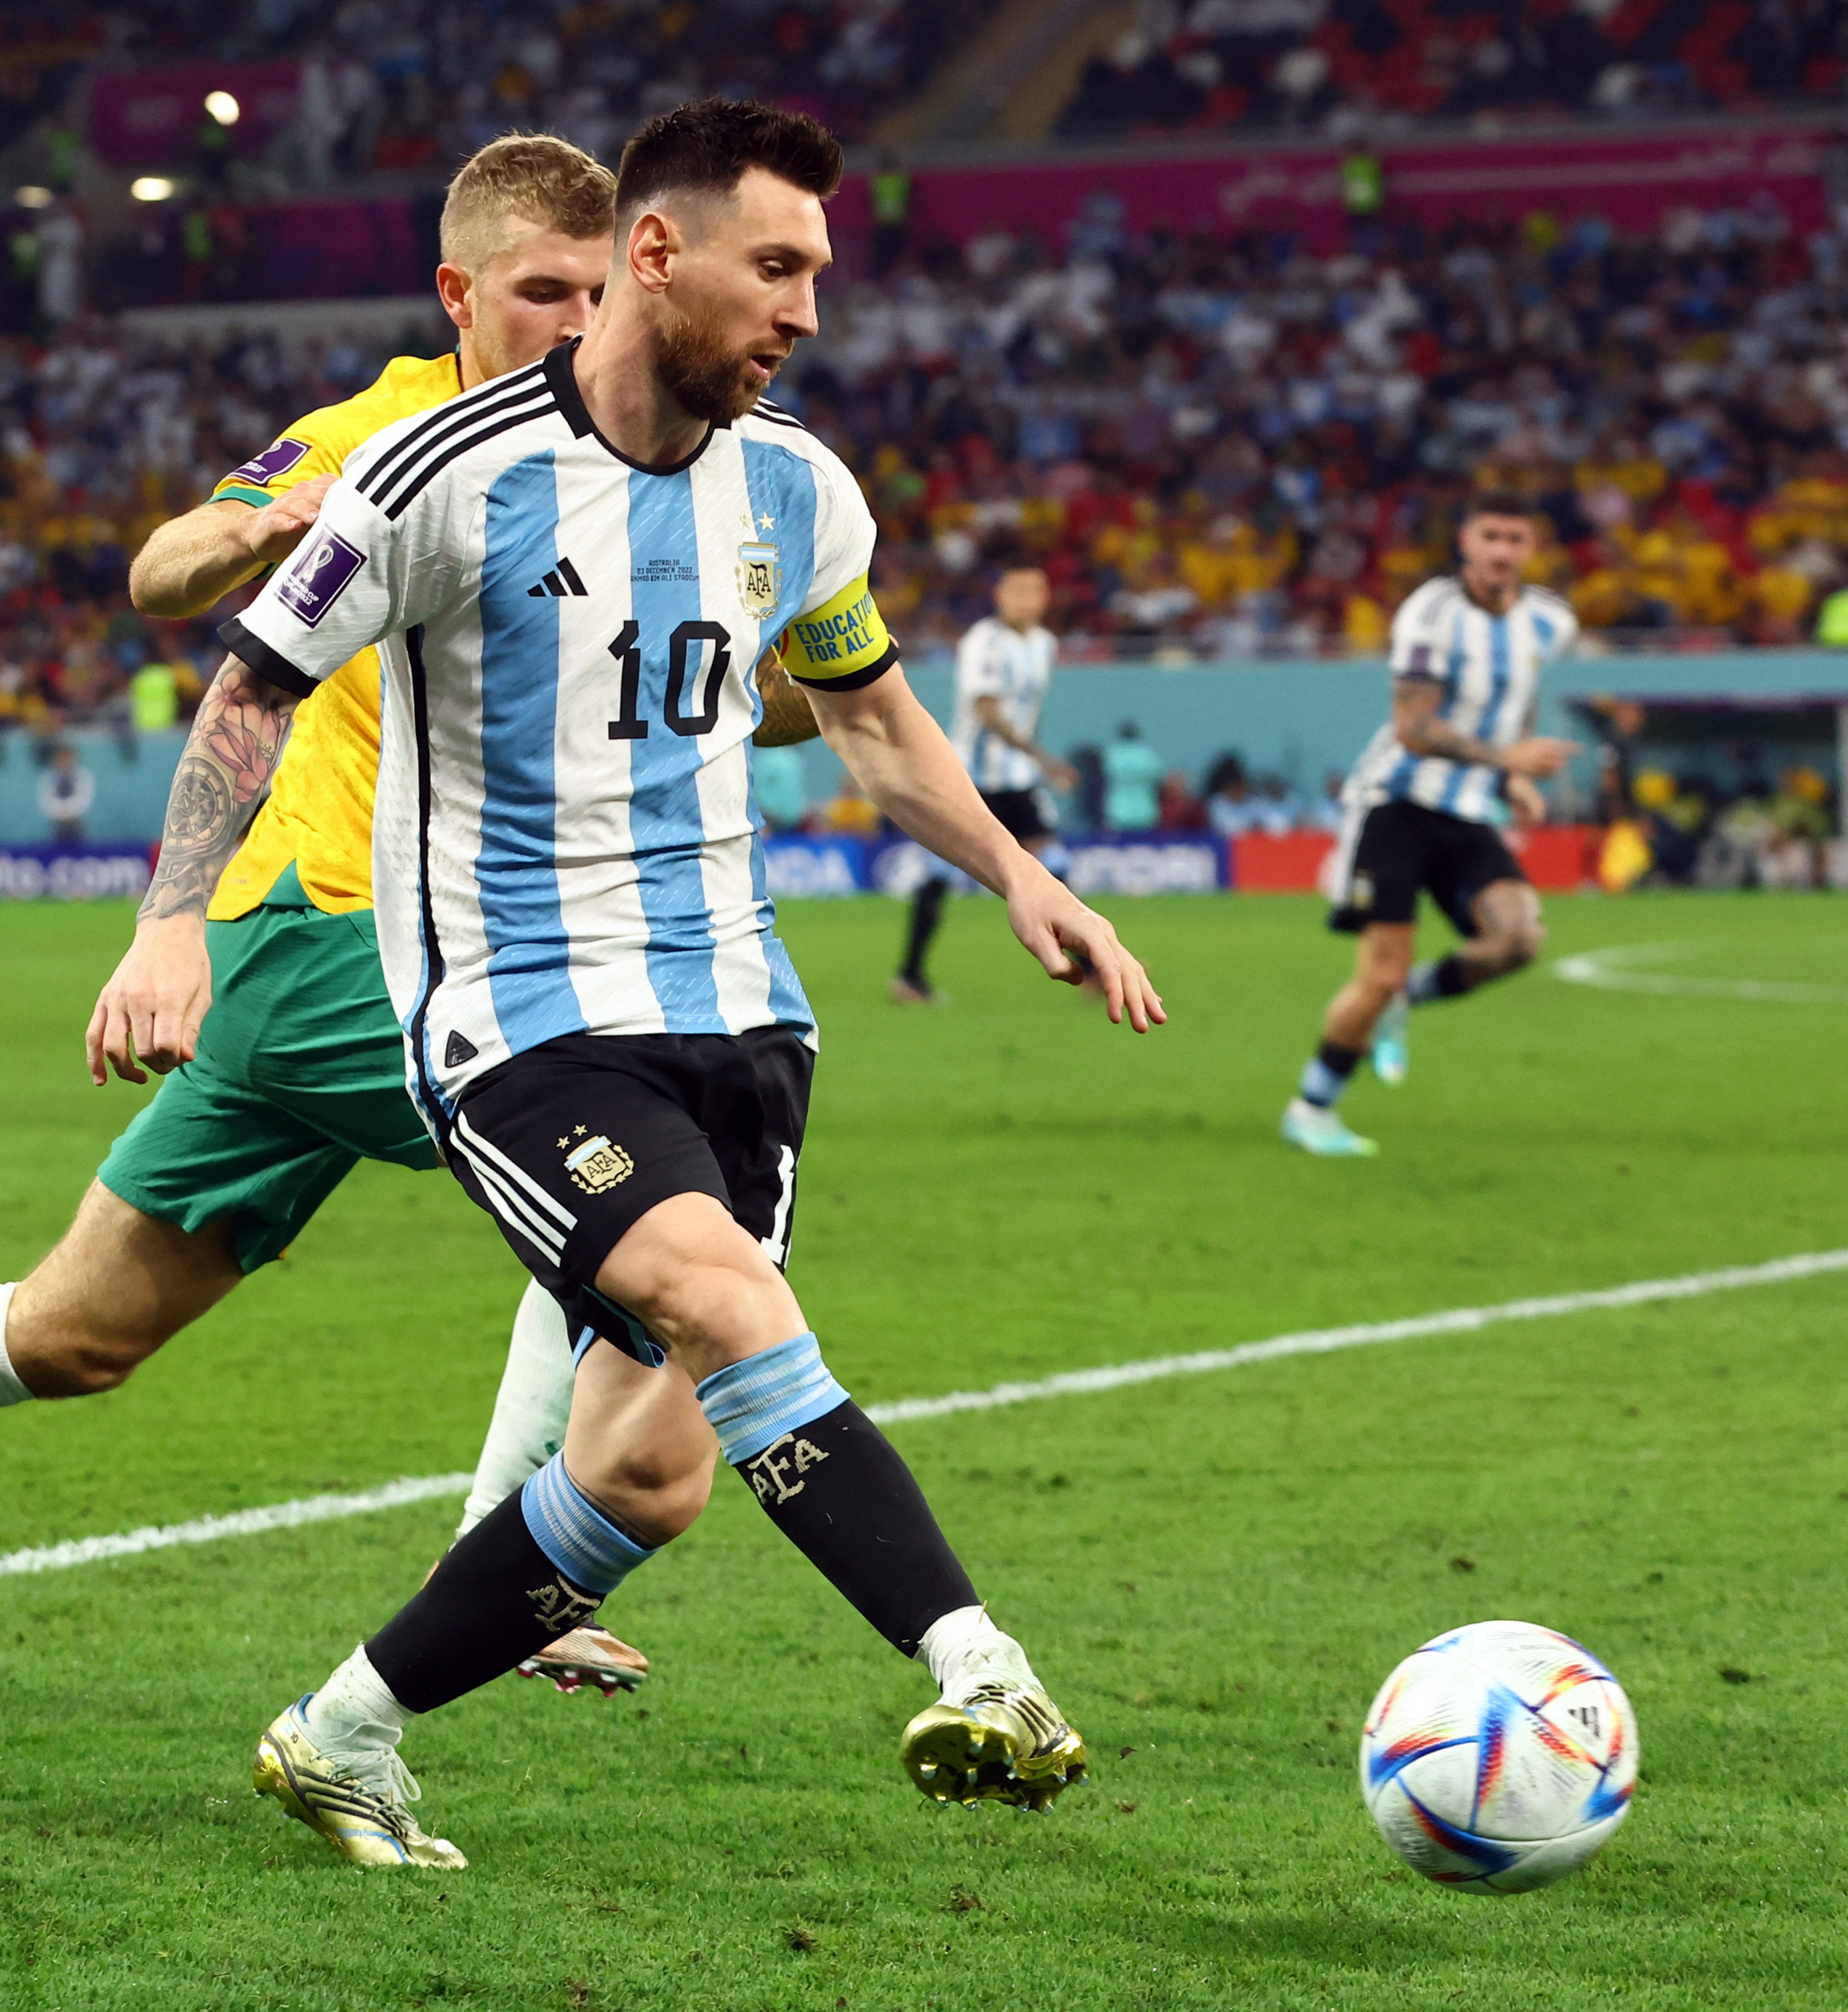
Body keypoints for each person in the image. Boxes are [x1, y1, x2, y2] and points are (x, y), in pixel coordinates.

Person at [98, 99, 1165, 1869]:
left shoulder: (797, 485)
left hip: (740, 1016)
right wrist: (166, 921)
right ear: (654, 257)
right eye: (777, 266)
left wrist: (1019, 871)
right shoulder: (436, 474)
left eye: (818, 272)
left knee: (647, 1473)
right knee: (728, 1301)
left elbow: (873, 720)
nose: (808, 308)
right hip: (516, 1022)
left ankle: (339, 1731)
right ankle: (982, 1665)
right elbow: (248, 682)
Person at [0, 136, 697, 1701]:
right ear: (459, 293)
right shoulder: (380, 434)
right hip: (323, 931)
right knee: (626, 1174)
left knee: (70, 1330)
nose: (576, 325)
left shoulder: (624, 458)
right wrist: (255, 527)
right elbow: (163, 566)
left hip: (369, 964)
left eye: (600, 293)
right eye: (540, 294)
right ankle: (510, 1574)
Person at [1282, 491, 1578, 1157]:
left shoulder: (1550, 622)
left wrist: (1513, 778)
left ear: (1532, 549)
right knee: (1378, 972)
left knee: (1519, 940)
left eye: (1516, 537)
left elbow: (1519, 701)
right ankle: (1311, 1107)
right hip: (1396, 805)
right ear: (1466, 542)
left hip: (1469, 809)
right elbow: (1414, 730)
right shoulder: (1431, 614)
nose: (1502, 550)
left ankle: (1405, 1002)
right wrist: (1506, 759)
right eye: (1490, 535)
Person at [893, 564, 1074, 1003]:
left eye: (1035, 590)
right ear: (999, 595)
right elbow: (988, 712)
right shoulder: (984, 642)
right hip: (973, 778)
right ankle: (910, 977)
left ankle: (1085, 969)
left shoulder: (1044, 644)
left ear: (1046, 597)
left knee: (1056, 864)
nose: (1026, 600)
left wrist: (1033, 761)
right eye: (1017, 590)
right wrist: (1045, 759)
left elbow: (1029, 711)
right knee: (942, 874)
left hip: (1018, 779)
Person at [1101, 721, 1161, 831]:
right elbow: (1158, 778)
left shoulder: (1113, 754)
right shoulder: (1146, 754)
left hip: (1119, 809)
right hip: (1144, 810)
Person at [36, 741, 95, 844]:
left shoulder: (84, 776)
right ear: (55, 760)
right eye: (61, 759)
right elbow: (45, 801)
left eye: (67, 758)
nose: (65, 762)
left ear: (74, 759)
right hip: (56, 823)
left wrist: (68, 810)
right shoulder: (48, 778)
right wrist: (60, 812)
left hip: (77, 822)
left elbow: (84, 800)